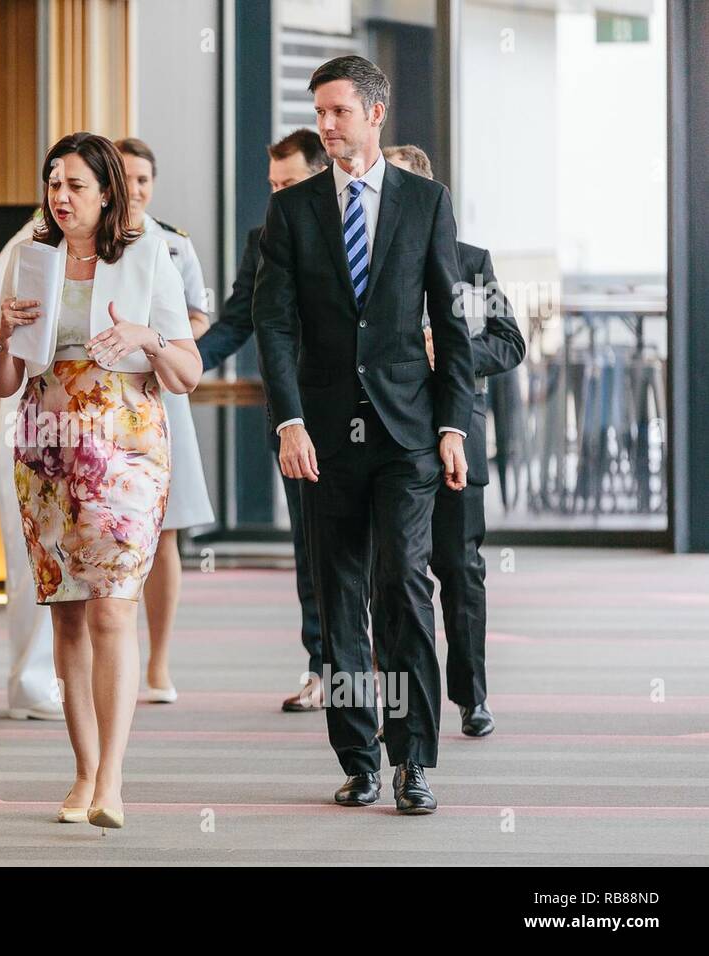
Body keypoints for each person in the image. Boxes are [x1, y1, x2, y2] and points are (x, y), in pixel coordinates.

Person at [252, 57, 474, 815]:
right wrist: (287, 420)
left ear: (375, 113)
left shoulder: (426, 202)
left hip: (407, 433)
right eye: (320, 112)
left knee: (404, 589)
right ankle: (358, 756)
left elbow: (450, 319)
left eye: (339, 111)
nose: (327, 125)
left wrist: (453, 425)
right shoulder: (293, 210)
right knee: (340, 597)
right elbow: (273, 324)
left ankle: (413, 756)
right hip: (321, 436)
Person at [0, 132, 201, 830]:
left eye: (75, 184)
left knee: (112, 608)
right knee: (68, 613)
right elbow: (4, 381)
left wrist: (147, 338)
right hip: (46, 449)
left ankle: (112, 778)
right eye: (52, 183)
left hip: (125, 447)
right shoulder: (26, 259)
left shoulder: (147, 255)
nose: (61, 196)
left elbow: (186, 373)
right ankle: (80, 772)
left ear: (107, 191)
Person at [376, 144, 526, 738]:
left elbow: (510, 341)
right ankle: (402, 706)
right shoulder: (362, 265)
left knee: (459, 569)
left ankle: (471, 696)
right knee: (392, 574)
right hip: (389, 440)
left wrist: (456, 357)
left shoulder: (469, 262)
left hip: (461, 428)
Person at [196, 129, 329, 712]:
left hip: (368, 413)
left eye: (290, 184)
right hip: (294, 418)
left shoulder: (360, 231)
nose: (278, 197)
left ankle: (382, 663)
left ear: (322, 176)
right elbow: (235, 324)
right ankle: (324, 666)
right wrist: (178, 363)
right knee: (311, 545)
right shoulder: (264, 239)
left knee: (380, 553)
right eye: (272, 186)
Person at [116, 137, 216, 703]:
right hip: (105, 400)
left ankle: (158, 663)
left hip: (161, 390)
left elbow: (199, 317)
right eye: (125, 177)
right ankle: (120, 654)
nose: (134, 190)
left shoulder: (173, 245)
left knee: (167, 529)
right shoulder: (85, 243)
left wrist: (162, 342)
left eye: (143, 180)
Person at [0, 210, 64, 722]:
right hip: (31, 423)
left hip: (81, 428)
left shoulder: (105, 247)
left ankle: (53, 676)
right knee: (34, 556)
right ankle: (31, 678)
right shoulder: (31, 249)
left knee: (68, 560)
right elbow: (11, 353)